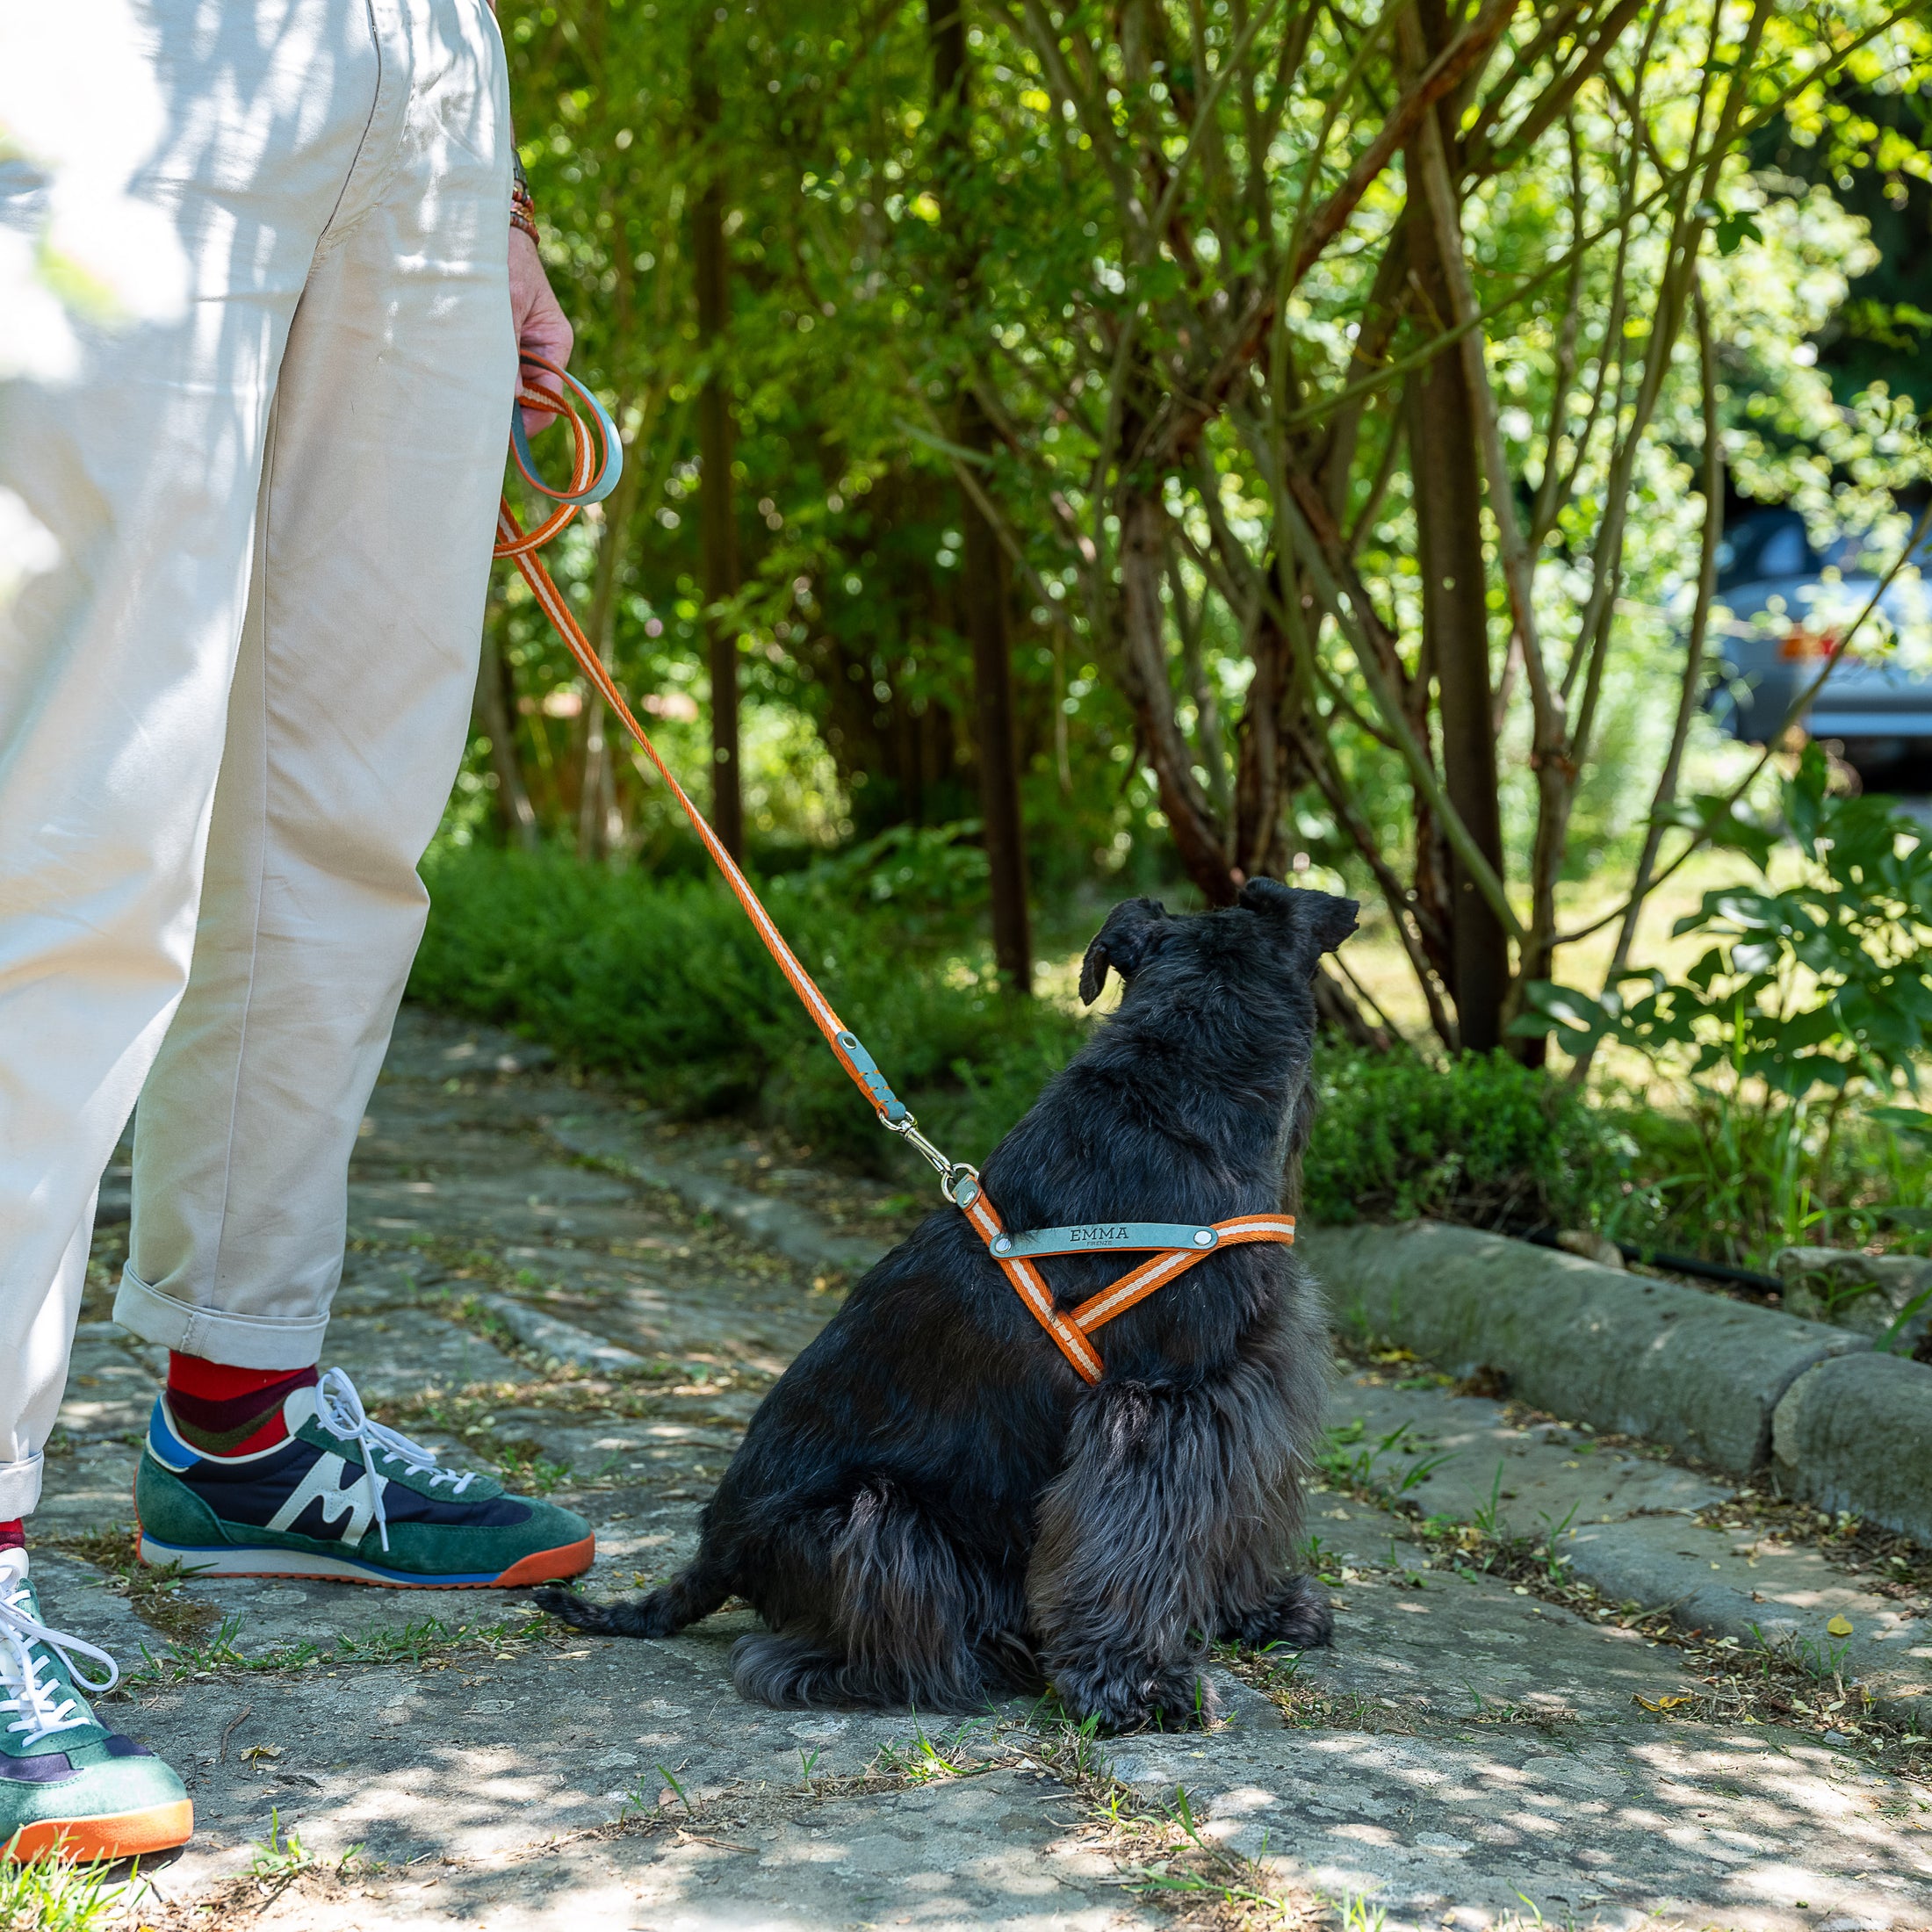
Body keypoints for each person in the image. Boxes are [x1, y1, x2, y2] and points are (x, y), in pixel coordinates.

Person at [0, 0, 594, 1863]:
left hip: (414, 84)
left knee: (335, 800)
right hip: (126, 54)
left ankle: (240, 1415)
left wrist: (482, 177)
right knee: (74, 803)